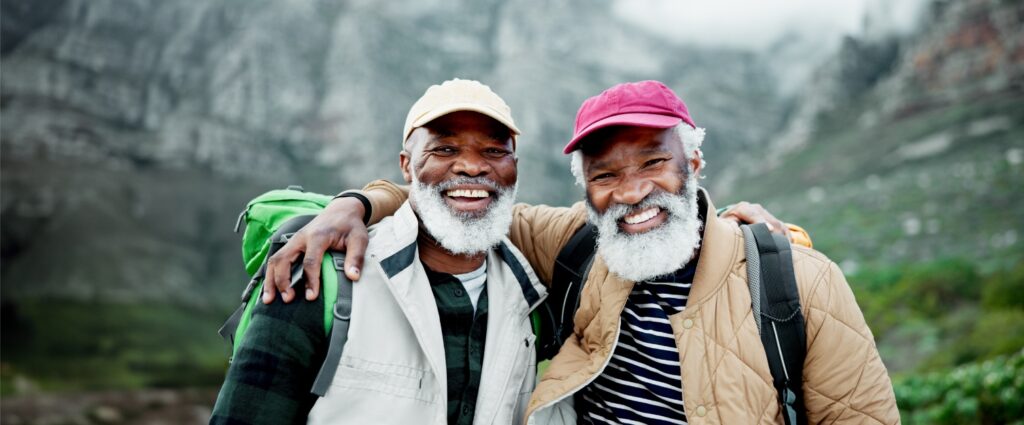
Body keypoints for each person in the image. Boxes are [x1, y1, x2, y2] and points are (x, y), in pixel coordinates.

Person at [264, 80, 897, 424]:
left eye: (655, 162)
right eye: (605, 175)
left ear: (695, 162)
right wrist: (356, 203)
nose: (633, 192)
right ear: (585, 190)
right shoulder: (573, 243)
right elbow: (458, 197)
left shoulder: (796, 281)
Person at [211, 79, 549, 424]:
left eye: (494, 151)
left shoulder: (534, 298)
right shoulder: (321, 278)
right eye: (445, 149)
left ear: (515, 167)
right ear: (406, 166)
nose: (472, 167)